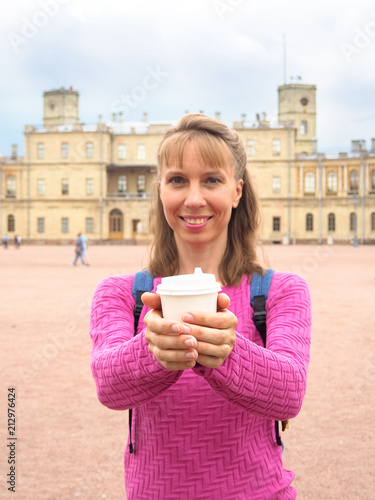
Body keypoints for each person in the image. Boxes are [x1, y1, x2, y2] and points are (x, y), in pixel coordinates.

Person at [89, 114, 312, 499]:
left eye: (211, 179)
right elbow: (109, 386)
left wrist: (227, 350)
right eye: (178, 180)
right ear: (160, 190)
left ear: (237, 191)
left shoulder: (279, 291)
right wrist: (152, 349)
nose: (194, 199)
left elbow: (289, 393)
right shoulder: (123, 293)